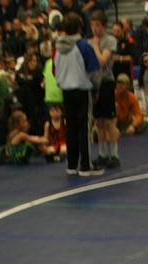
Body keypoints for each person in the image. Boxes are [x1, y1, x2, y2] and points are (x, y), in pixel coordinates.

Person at [54, 12, 103, 176]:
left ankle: (72, 163)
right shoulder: (83, 46)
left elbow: (56, 71)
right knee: (84, 128)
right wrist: (96, 89)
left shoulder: (58, 48)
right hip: (82, 90)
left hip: (66, 91)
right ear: (80, 27)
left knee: (71, 127)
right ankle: (85, 165)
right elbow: (95, 71)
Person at [90, 10, 121, 168]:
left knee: (109, 121)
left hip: (106, 82)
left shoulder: (110, 40)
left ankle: (114, 155)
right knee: (98, 122)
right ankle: (102, 154)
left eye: (97, 26)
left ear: (104, 26)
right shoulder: (89, 42)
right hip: (94, 84)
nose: (95, 29)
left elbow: (102, 61)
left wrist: (95, 46)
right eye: (92, 26)